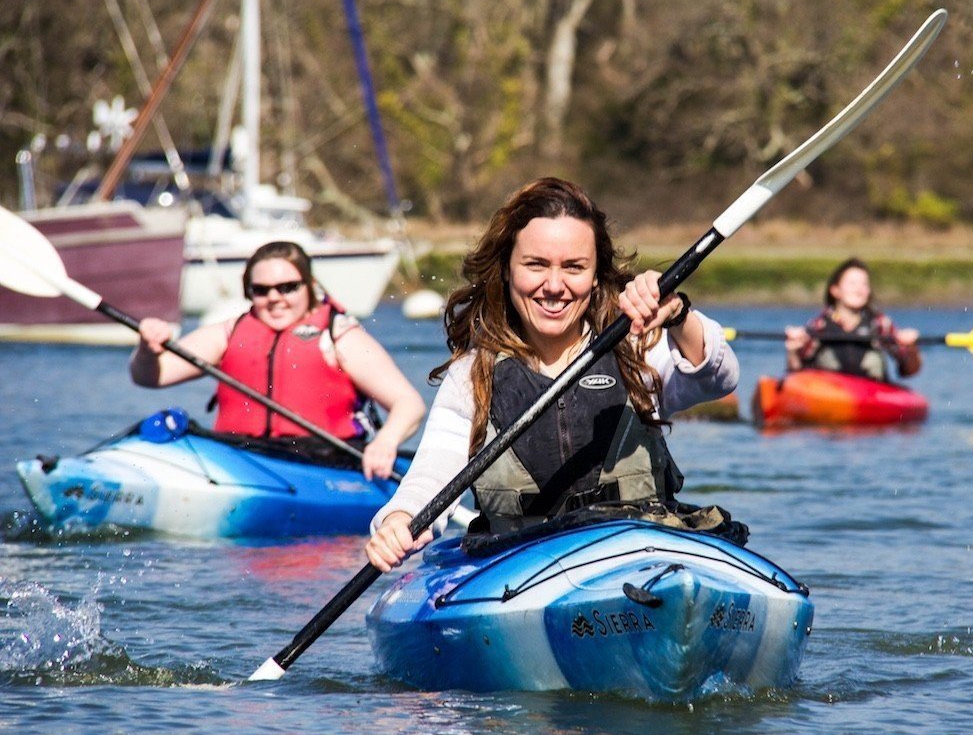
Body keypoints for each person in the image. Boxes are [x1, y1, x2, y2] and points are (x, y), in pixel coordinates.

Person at [365, 177, 739, 572]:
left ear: (595, 276)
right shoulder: (472, 377)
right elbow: (431, 475)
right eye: (536, 265)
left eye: (574, 268)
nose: (555, 286)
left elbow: (719, 378)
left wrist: (678, 315)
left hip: (637, 565)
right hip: (518, 575)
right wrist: (397, 521)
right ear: (507, 270)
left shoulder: (637, 348)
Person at [130, 240, 426, 481]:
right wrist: (147, 348)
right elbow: (152, 376)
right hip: (240, 456)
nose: (275, 298)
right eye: (261, 290)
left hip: (323, 463)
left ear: (309, 285)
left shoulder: (339, 335)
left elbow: (409, 405)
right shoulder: (229, 333)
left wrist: (386, 442)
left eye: (288, 287)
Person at [784, 257, 921, 381]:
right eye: (852, 283)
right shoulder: (820, 325)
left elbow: (908, 371)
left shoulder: (879, 324)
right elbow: (796, 371)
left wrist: (911, 349)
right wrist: (793, 351)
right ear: (835, 290)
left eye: (864, 284)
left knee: (874, 360)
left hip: (872, 395)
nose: (859, 289)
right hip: (828, 394)